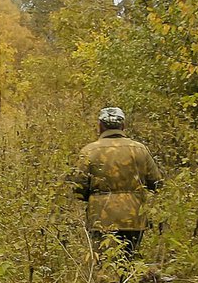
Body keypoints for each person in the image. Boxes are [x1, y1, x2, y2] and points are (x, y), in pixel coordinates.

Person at [70, 106, 163, 262]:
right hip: (135, 217)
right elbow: (157, 183)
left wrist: (93, 197)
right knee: (130, 262)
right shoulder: (139, 149)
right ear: (123, 126)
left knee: (105, 265)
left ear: (100, 126)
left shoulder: (89, 151)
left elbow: (78, 187)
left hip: (101, 217)